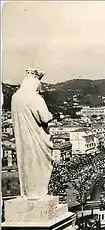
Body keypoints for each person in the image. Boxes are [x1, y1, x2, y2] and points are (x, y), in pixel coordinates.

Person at [11, 67, 53, 198]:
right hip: (36, 138)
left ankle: (28, 193)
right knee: (40, 164)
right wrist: (51, 115)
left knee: (27, 164)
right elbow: (45, 117)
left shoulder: (15, 98)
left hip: (22, 139)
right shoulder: (35, 98)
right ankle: (40, 193)